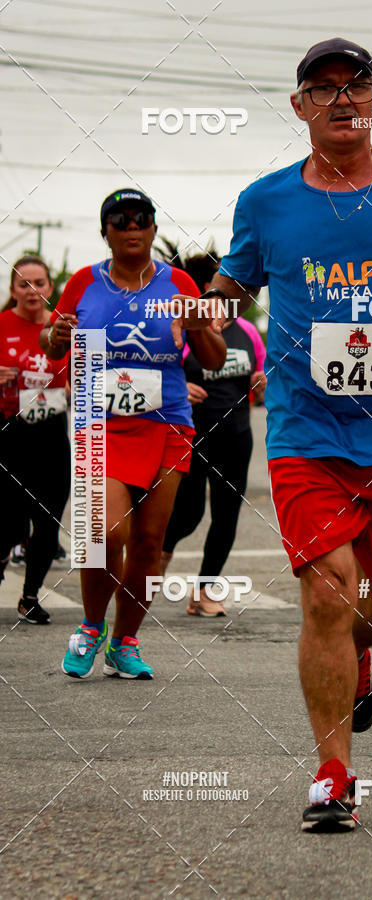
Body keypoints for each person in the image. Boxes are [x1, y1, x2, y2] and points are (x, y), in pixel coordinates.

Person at [175, 38, 372, 830]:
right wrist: (210, 306)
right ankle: (333, 774)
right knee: (327, 593)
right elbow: (235, 280)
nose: (342, 99)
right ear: (301, 106)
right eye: (324, 88)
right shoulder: (267, 200)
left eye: (357, 86)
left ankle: (366, 659)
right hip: (305, 432)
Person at [41, 188, 226, 679]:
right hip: (99, 424)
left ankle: (125, 642)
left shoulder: (179, 282)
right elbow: (52, 344)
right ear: (105, 231)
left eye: (140, 219)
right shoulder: (84, 282)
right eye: (119, 220)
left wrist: (201, 327)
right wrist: (54, 335)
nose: (130, 227)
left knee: (148, 542)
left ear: (153, 228)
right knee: (105, 532)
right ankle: (90, 626)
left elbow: (214, 360)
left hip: (167, 422)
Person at [158, 248, 266, 616]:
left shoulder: (250, 332)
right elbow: (161, 372)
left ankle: (204, 592)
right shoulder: (185, 331)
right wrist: (179, 389)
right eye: (233, 288)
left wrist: (262, 384)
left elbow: (260, 383)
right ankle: (153, 566)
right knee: (187, 513)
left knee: (227, 515)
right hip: (193, 433)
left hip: (236, 435)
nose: (242, 296)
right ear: (210, 290)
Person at [0, 255, 70, 624]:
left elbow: (82, 374)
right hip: (9, 433)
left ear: (49, 288)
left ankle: (29, 597)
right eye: (24, 284)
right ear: (12, 289)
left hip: (51, 433)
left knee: (48, 518)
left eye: (39, 283)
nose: (32, 291)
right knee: (9, 523)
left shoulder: (62, 329)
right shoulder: (1, 325)